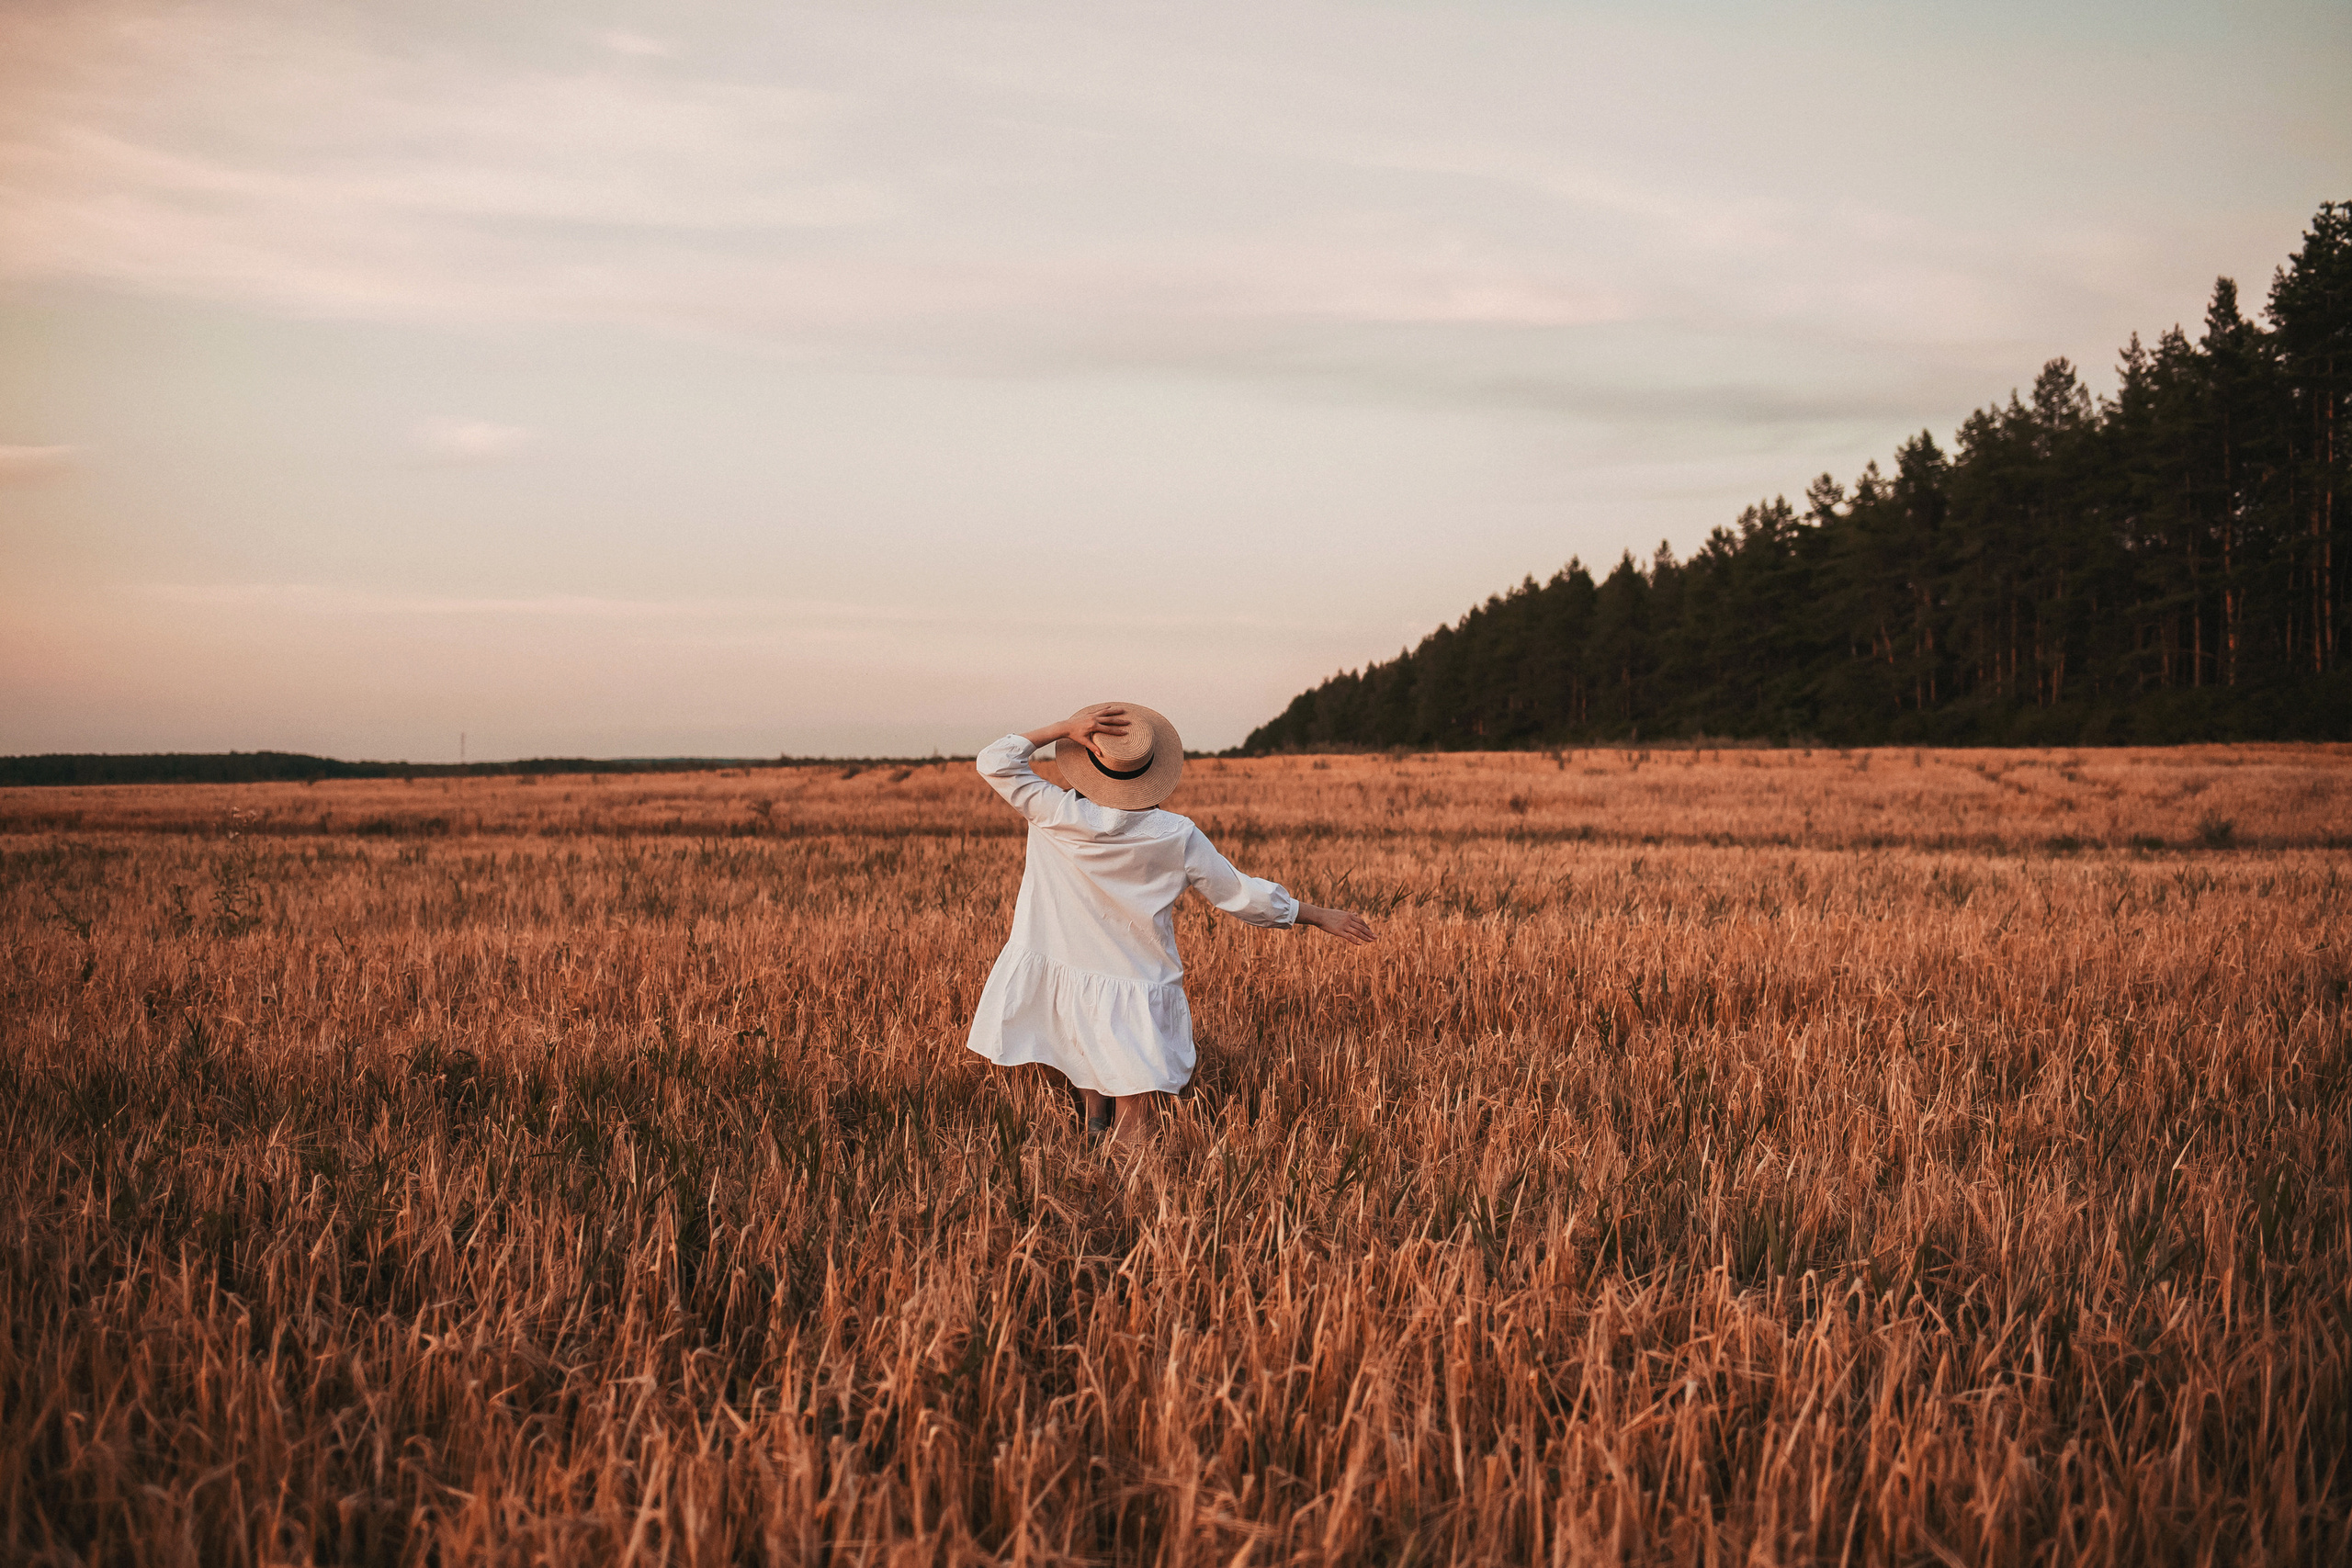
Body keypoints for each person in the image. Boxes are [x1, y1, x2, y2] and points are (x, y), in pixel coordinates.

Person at [964, 702, 1375, 1143]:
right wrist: (1313, 914)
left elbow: (995, 760)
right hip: (1136, 979)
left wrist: (1065, 727)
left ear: (1086, 761)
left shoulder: (1053, 812)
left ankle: (1092, 1126)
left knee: (1078, 1040)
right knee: (1134, 1117)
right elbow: (1238, 893)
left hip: (1066, 965)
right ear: (1150, 774)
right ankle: (1134, 1190)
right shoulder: (1176, 834)